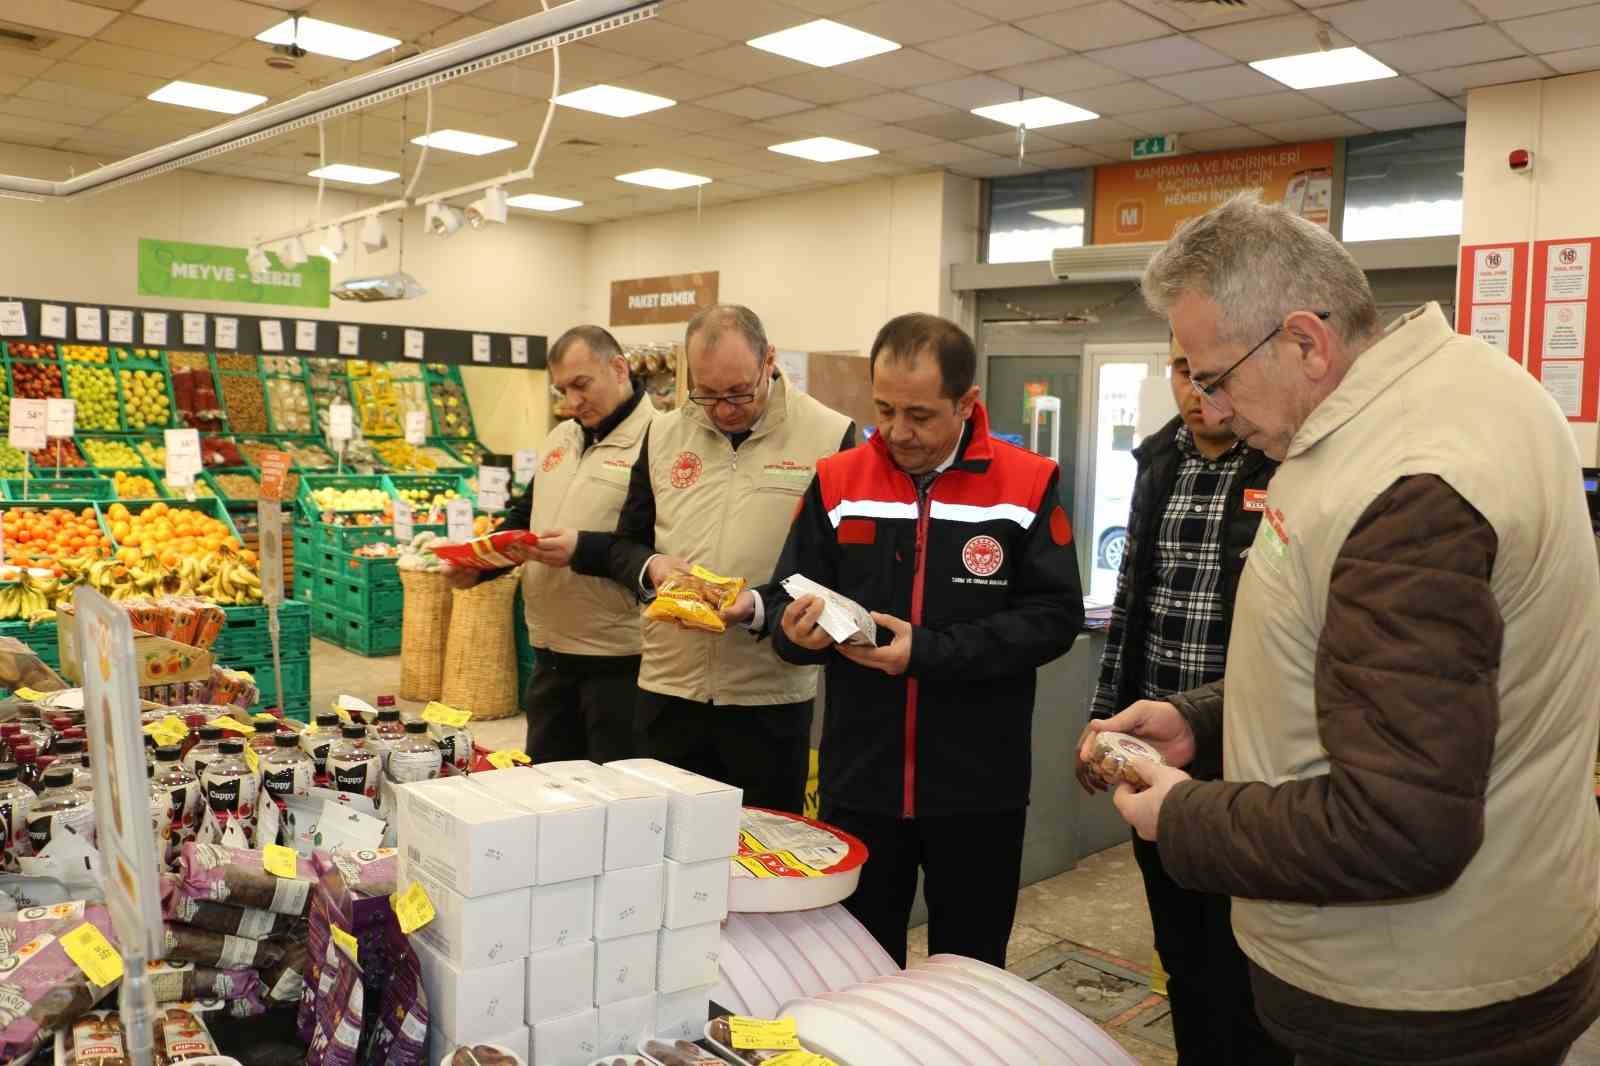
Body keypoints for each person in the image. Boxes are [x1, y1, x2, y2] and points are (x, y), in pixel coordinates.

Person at [1089, 194, 1600, 1066]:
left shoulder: (1409, 488)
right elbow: (1376, 672)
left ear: (1304, 342)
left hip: (1416, 996)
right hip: (1476, 953)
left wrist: (1185, 815)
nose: (1207, 404)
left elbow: (1399, 828)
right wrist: (1204, 720)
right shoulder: (1462, 390)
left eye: (1214, 376)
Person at [766, 313, 1083, 968]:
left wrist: (927, 653)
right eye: (884, 410)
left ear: (967, 403)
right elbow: (783, 599)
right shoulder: (838, 479)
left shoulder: (1027, 483)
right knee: (857, 970)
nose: (898, 433)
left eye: (919, 415)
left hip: (978, 790)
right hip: (861, 783)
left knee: (968, 971)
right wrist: (793, 634)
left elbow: (1053, 617)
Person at [555, 304, 854, 812]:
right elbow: (626, 543)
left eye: (738, 392)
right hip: (668, 689)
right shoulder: (665, 433)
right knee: (661, 846)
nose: (723, 409)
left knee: (759, 852)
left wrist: (757, 607)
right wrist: (653, 569)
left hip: (769, 698)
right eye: (707, 393)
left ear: (769, 362)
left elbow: (837, 573)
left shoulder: (830, 437)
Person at [1078, 338, 1285, 1066]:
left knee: (1248, 955)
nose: (1199, 391)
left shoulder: (1282, 463)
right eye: (1182, 372)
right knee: (1181, 946)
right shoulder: (1157, 460)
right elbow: (1132, 599)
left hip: (1246, 753)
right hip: (1151, 743)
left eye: (1212, 375)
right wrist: (1103, 721)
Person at [450, 325, 657, 762]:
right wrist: (483, 562)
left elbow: (650, 546)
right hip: (549, 657)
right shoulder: (561, 437)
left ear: (618, 368)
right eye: (563, 389)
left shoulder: (659, 441)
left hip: (620, 662)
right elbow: (528, 515)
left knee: (613, 802)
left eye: (582, 385)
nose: (572, 402)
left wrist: (581, 550)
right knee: (546, 791)